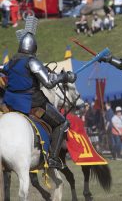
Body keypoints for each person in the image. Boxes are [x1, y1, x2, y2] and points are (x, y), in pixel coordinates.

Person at [1, 16, 76, 169]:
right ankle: (53, 158)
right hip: (32, 103)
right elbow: (48, 82)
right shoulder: (32, 61)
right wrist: (65, 76)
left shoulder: (11, 62)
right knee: (62, 123)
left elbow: (2, 69)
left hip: (10, 103)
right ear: (34, 48)